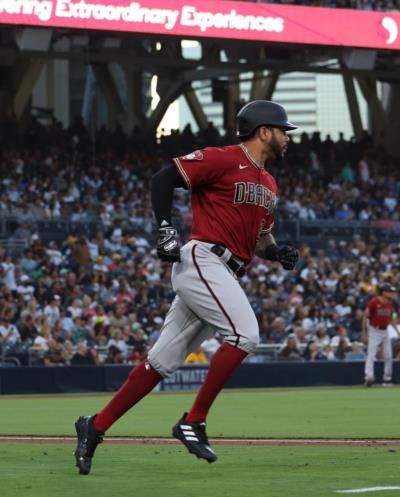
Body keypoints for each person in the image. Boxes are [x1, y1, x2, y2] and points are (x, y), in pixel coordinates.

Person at [74, 99, 299, 474]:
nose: (287, 137)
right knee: (245, 335)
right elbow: (163, 180)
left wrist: (278, 253)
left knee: (159, 363)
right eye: (282, 130)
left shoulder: (269, 182)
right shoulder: (223, 158)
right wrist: (165, 230)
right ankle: (193, 420)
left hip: (224, 271)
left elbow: (262, 238)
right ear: (264, 131)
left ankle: (94, 426)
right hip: (202, 259)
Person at [361, 283, 399, 387]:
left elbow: (391, 317)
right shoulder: (374, 302)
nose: (391, 293)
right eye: (389, 291)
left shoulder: (390, 303)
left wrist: (397, 330)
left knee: (388, 355)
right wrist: (364, 333)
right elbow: (365, 316)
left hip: (385, 330)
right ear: (383, 292)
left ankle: (387, 379)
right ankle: (368, 377)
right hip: (374, 330)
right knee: (371, 354)